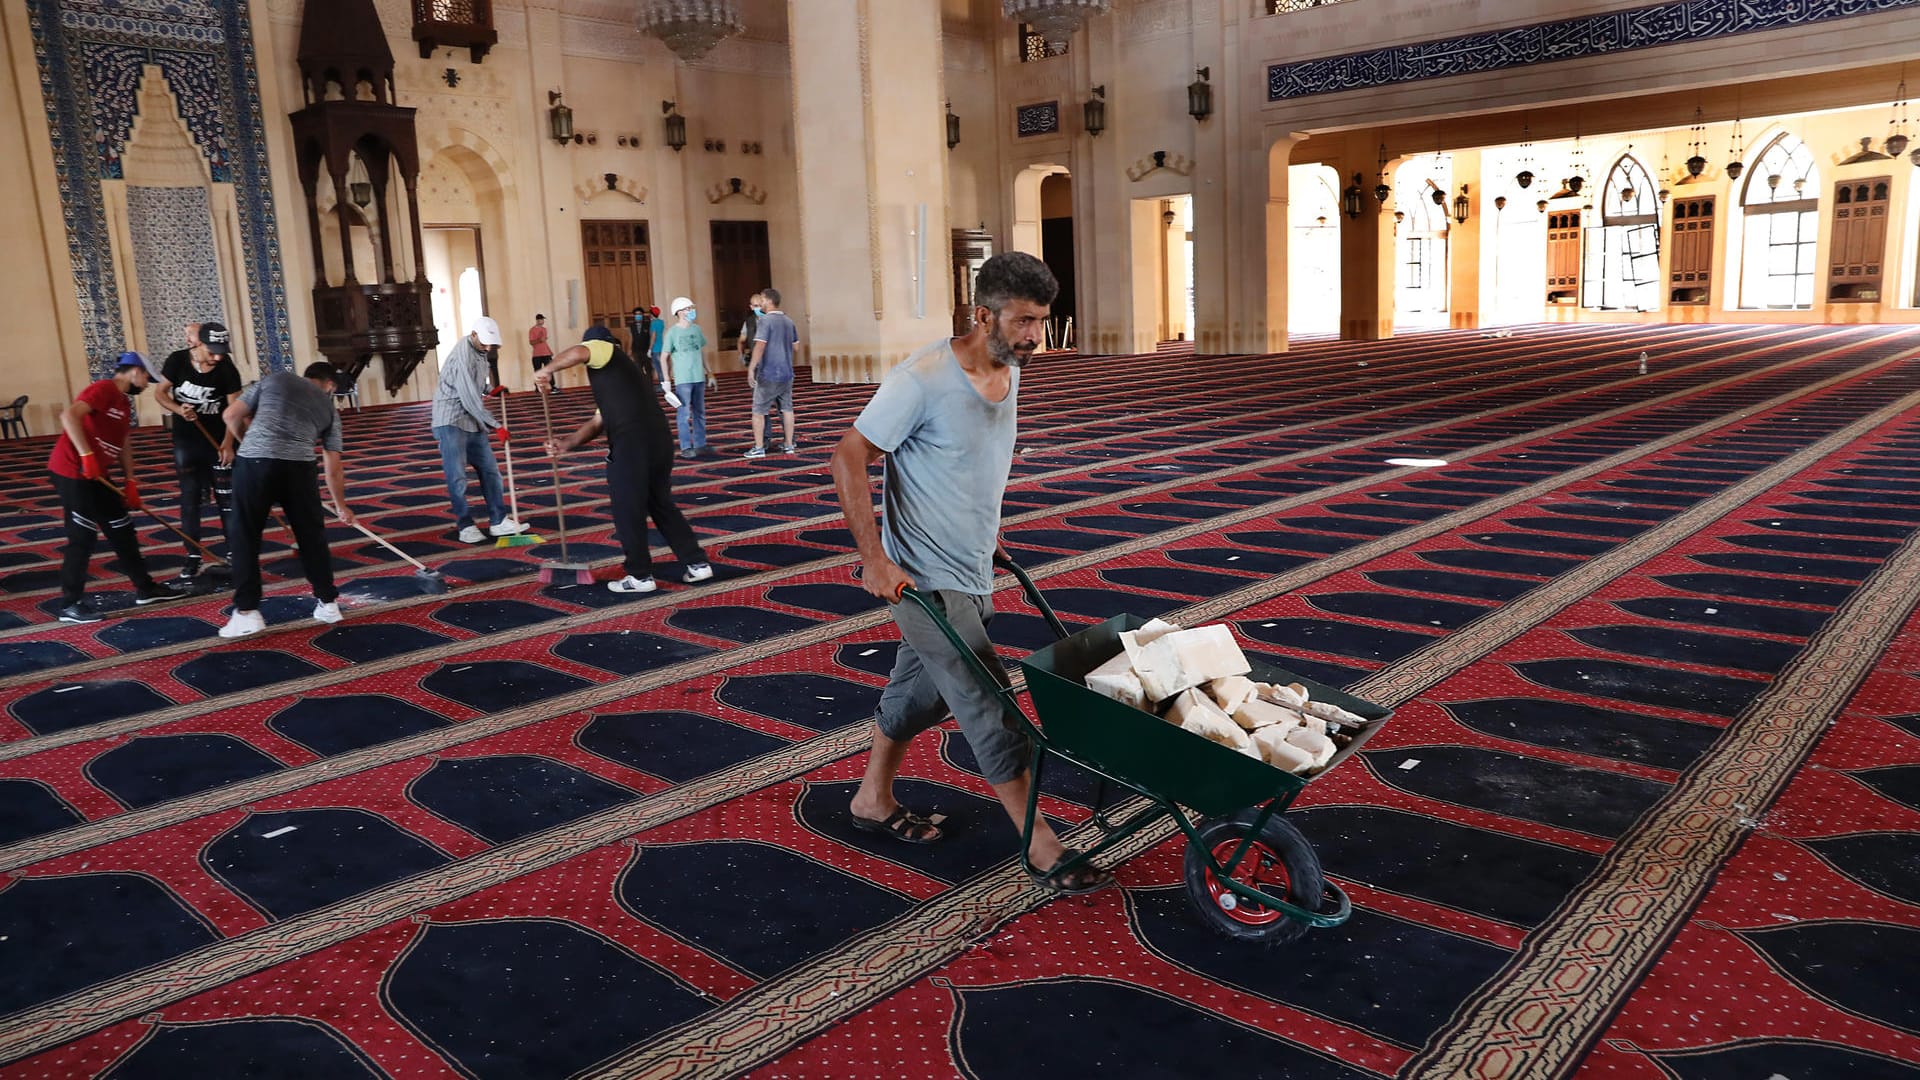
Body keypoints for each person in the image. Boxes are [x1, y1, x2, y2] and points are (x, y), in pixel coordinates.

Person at [830, 251, 1111, 895]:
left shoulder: (1009, 371)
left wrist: (987, 539)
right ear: (983, 315)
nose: (1034, 335)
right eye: (1023, 322)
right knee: (988, 699)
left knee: (919, 695)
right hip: (922, 579)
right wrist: (875, 558)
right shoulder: (921, 380)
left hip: (973, 567)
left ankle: (872, 798)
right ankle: (1041, 845)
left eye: (1041, 321)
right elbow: (848, 456)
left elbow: (966, 468)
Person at [535, 326, 712, 593]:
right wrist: (567, 443)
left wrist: (547, 369)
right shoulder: (622, 377)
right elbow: (599, 421)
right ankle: (697, 563)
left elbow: (580, 352)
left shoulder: (606, 350)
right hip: (658, 441)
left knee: (627, 508)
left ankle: (639, 576)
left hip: (633, 443)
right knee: (660, 503)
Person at [218, 362, 356, 637]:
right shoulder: (329, 408)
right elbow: (333, 466)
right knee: (310, 537)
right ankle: (328, 603)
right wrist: (341, 505)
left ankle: (247, 612)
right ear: (329, 385)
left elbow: (231, 414)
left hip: (256, 461)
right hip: (299, 468)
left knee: (245, 535)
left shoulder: (276, 379)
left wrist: (246, 443)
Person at [46, 353, 186, 623]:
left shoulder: (122, 402)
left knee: (122, 529)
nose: (146, 384)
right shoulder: (103, 389)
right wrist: (86, 455)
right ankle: (70, 604)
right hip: (72, 471)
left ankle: (146, 588)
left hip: (98, 475)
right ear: (134, 371)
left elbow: (122, 443)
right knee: (83, 535)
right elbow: (69, 416)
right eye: (146, 377)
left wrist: (130, 480)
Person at [154, 321, 243, 583]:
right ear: (199, 344)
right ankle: (193, 555)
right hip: (187, 442)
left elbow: (234, 412)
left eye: (222, 351)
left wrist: (228, 444)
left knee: (227, 500)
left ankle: (234, 554)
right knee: (190, 499)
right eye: (213, 350)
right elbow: (159, 393)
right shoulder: (177, 361)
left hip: (218, 442)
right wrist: (177, 408)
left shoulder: (226, 368)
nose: (218, 356)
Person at [432, 315, 527, 545]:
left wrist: (490, 389)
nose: (487, 347)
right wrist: (496, 425)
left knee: (490, 470)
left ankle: (498, 520)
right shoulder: (462, 355)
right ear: (473, 335)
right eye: (483, 342)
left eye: (490, 344)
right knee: (457, 477)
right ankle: (465, 525)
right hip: (450, 420)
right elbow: (468, 398)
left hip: (472, 420)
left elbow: (476, 386)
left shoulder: (481, 352)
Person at [744, 286, 799, 458]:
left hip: (769, 373)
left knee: (758, 411)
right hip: (787, 372)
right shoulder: (789, 321)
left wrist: (751, 368)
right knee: (787, 409)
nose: (760, 302)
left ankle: (759, 447)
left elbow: (760, 346)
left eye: (761, 299)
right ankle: (789, 445)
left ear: (768, 301)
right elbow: (796, 346)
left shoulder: (765, 321)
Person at [661, 296, 712, 459]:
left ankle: (700, 444)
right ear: (680, 312)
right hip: (683, 379)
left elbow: (702, 351)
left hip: (699, 377)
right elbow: (664, 357)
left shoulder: (696, 329)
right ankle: (685, 446)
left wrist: (709, 372)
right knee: (684, 414)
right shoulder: (672, 333)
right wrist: (666, 380)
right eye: (688, 309)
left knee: (700, 412)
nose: (691, 311)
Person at [529, 314, 554, 392]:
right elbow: (531, 342)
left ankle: (552, 386)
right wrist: (539, 340)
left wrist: (549, 351)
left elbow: (544, 342)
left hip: (546, 353)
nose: (542, 321)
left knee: (549, 370)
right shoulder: (532, 330)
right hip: (537, 354)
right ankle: (538, 388)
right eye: (541, 319)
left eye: (543, 319)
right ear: (538, 320)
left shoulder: (544, 329)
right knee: (538, 371)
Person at [737, 291, 762, 363]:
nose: (759, 308)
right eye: (756, 306)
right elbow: (741, 341)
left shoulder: (771, 319)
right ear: (751, 307)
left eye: (761, 305)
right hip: (756, 360)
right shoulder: (749, 322)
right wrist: (742, 356)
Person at [647, 306, 667, 386]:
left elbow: (653, 336)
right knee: (663, 367)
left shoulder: (653, 323)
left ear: (651, 314)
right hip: (661, 347)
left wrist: (650, 349)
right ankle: (664, 384)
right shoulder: (661, 322)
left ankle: (662, 386)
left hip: (655, 349)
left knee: (659, 369)